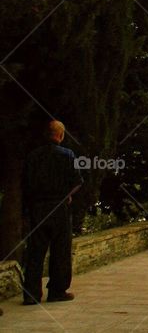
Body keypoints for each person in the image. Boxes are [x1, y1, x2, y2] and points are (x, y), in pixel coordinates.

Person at [22, 120, 82, 305]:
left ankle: (31, 293)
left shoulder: (33, 156)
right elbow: (77, 181)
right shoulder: (67, 155)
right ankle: (57, 291)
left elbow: (26, 184)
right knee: (60, 251)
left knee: (35, 252)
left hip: (38, 208)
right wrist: (67, 197)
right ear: (61, 135)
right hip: (59, 208)